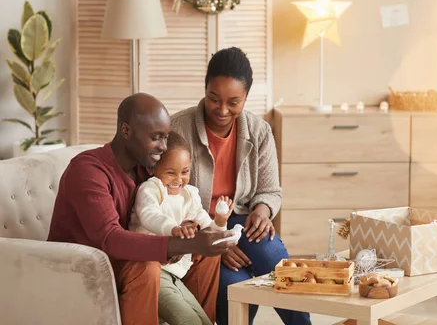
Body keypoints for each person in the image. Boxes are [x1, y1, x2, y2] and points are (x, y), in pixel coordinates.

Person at [47, 93, 236, 325]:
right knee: (146, 266)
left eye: (166, 138)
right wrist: (182, 243)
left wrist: (194, 230)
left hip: (120, 260)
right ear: (126, 131)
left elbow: (166, 210)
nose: (163, 147)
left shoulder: (144, 170)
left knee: (206, 255)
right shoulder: (88, 171)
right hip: (84, 266)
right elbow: (110, 239)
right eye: (156, 138)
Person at [171, 47, 312, 325]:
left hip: (242, 221)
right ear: (205, 90)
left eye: (233, 102)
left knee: (273, 257)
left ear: (246, 97)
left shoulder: (259, 131)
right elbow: (168, 197)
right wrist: (214, 244)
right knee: (233, 286)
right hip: (198, 228)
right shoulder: (178, 129)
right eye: (214, 99)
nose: (222, 110)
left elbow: (271, 190)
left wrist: (262, 209)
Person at [129, 131, 234, 325]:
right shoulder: (151, 188)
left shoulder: (189, 195)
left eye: (185, 172)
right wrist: (174, 230)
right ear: (152, 168)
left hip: (176, 274)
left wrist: (220, 220)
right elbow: (149, 215)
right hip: (153, 273)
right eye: (171, 172)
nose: (178, 179)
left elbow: (210, 230)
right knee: (189, 321)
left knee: (205, 322)